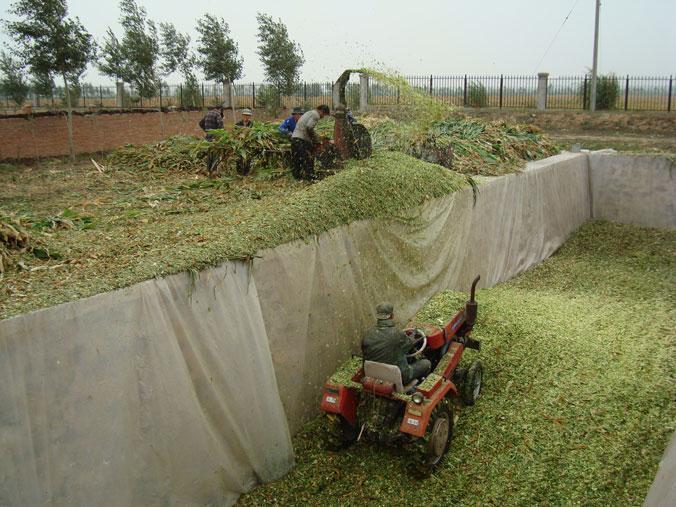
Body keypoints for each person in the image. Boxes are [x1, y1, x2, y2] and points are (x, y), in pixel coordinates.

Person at [362, 302, 432, 385]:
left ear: (377, 317)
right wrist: (414, 337)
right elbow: (409, 345)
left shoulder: (367, 334)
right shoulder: (397, 334)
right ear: (392, 316)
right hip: (398, 376)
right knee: (426, 363)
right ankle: (419, 385)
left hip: (373, 374)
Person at [291, 104, 330, 180]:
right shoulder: (316, 115)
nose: (322, 117)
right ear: (321, 111)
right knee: (308, 159)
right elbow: (309, 127)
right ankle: (311, 177)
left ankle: (297, 177)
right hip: (301, 140)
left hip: (295, 138)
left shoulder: (308, 112)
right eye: (324, 115)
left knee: (296, 160)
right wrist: (316, 140)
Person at [199, 104, 224, 173]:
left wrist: (206, 131)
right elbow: (221, 125)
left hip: (208, 138)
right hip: (215, 139)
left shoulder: (208, 114)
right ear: (220, 110)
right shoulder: (217, 114)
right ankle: (214, 171)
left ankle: (208, 170)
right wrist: (222, 135)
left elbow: (200, 123)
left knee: (209, 154)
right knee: (215, 155)